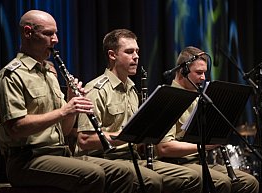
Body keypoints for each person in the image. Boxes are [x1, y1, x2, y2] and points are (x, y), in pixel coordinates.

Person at [0, 10, 136, 193]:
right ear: (27, 32)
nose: (55, 40)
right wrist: (64, 111)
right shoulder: (12, 75)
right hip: (26, 160)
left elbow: (65, 130)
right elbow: (16, 128)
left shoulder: (50, 73)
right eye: (48, 34)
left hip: (59, 154)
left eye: (56, 33)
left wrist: (72, 101)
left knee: (123, 172)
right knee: (92, 174)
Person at [76, 28, 202, 193]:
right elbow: (85, 140)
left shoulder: (133, 89)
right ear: (112, 55)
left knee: (192, 177)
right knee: (152, 180)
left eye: (137, 51)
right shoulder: (96, 89)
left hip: (132, 158)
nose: (136, 56)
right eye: (129, 52)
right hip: (102, 158)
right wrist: (129, 135)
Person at [156, 46, 259, 193]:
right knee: (222, 182)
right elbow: (164, 148)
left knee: (250, 182)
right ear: (182, 71)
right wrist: (205, 146)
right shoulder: (168, 98)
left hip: (199, 162)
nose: (203, 78)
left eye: (204, 73)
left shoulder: (199, 97)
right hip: (176, 163)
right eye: (199, 73)